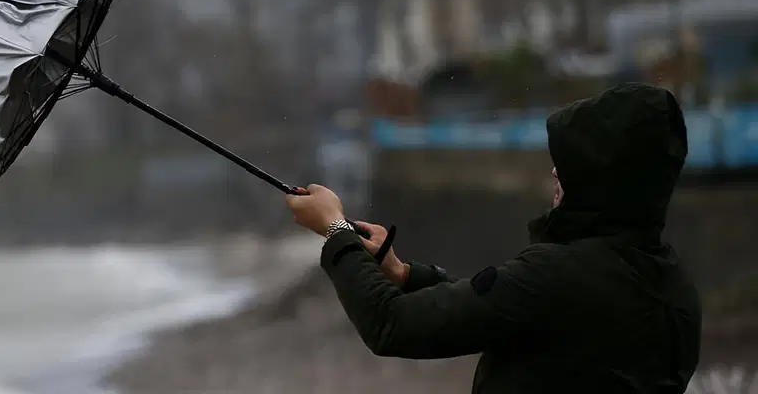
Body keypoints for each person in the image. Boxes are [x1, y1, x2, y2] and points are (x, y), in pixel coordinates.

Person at [286, 83, 702, 393]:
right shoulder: (673, 288)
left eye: (570, 164)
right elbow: (510, 315)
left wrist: (336, 229)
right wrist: (404, 275)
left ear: (604, 178)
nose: (555, 172)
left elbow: (393, 325)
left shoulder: (555, 276)